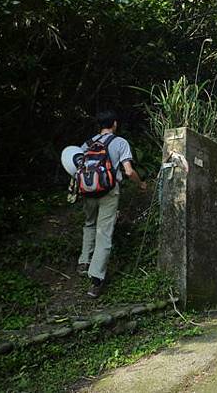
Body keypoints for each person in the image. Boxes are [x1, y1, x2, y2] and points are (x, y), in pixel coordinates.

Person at [77, 110, 147, 298]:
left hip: (87, 191)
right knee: (104, 232)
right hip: (109, 191)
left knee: (89, 223)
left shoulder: (88, 143)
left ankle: (84, 261)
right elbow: (129, 171)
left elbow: (76, 165)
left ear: (99, 125)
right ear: (114, 124)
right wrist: (140, 183)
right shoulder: (120, 143)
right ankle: (96, 280)